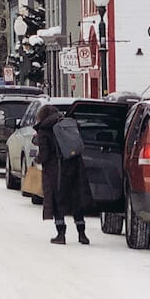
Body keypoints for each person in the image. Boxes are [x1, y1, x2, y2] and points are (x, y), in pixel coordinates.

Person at [33, 102, 93, 246]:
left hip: (56, 171)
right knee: (76, 202)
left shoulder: (44, 130)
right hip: (75, 167)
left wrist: (37, 159)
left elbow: (45, 154)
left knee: (57, 203)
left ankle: (61, 234)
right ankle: (82, 234)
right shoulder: (69, 125)